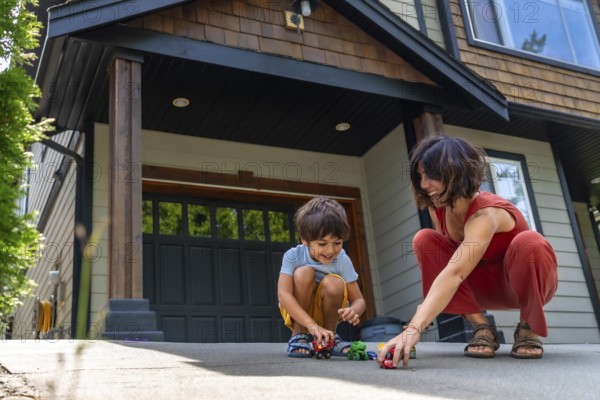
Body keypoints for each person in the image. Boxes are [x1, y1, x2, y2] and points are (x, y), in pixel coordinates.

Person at [378, 135, 558, 368]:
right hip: (477, 287)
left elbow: (454, 273)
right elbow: (448, 265)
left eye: (431, 175)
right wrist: (426, 309)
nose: (423, 184)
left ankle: (527, 328)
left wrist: (414, 328)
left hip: (519, 286)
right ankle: (482, 326)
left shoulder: (486, 214)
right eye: (420, 176)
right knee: (425, 239)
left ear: (455, 171)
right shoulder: (439, 208)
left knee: (530, 242)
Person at [278, 196, 367, 358]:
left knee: (335, 282)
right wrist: (311, 326)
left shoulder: (342, 259)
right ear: (305, 239)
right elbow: (283, 295)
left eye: (337, 243)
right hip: (297, 311)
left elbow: (359, 300)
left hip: (327, 310)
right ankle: (300, 334)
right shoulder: (293, 256)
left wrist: (353, 311)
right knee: (303, 273)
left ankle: (330, 336)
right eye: (322, 244)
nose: (331, 250)